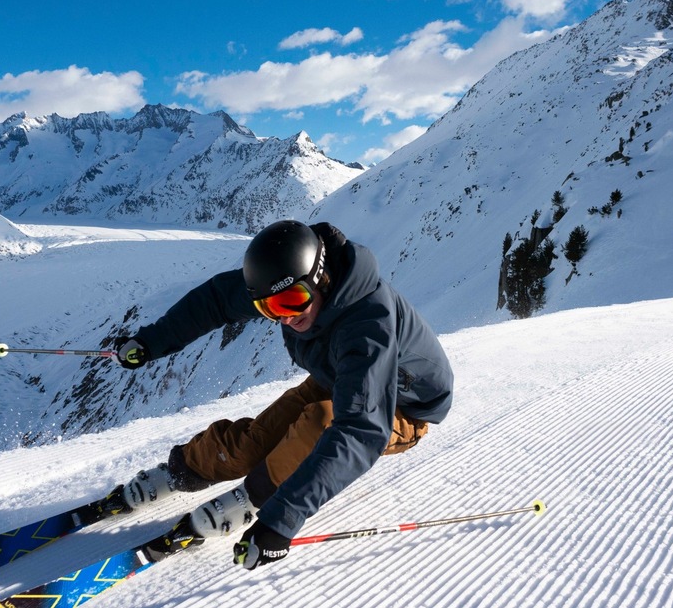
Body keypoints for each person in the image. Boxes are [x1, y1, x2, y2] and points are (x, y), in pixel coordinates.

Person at [109, 219, 454, 570]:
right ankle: (183, 469)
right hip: (334, 377)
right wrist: (150, 342)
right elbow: (214, 302)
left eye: (293, 301)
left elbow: (359, 430)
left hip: (401, 405)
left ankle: (251, 499)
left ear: (321, 277)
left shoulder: (367, 327)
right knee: (255, 442)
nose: (286, 317)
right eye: (270, 309)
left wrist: (280, 521)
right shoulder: (283, 287)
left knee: (318, 424)